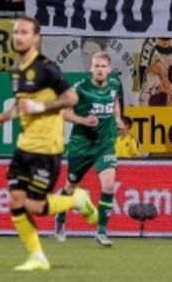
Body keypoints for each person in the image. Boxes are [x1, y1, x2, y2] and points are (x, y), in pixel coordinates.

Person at [0, 17, 98, 271]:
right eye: (16, 32)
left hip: (47, 149)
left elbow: (71, 97)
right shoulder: (16, 71)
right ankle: (37, 256)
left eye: (24, 32)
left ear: (37, 38)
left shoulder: (47, 68)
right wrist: (3, 118)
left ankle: (77, 199)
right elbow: (21, 103)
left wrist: (41, 106)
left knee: (36, 207)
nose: (19, 36)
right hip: (24, 146)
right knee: (16, 200)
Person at [54, 51, 125, 247]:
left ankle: (101, 232)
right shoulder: (80, 88)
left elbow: (115, 101)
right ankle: (60, 219)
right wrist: (83, 120)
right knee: (70, 186)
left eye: (103, 66)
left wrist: (117, 119)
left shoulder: (114, 83)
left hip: (104, 144)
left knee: (109, 185)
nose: (100, 70)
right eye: (96, 66)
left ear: (109, 69)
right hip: (81, 145)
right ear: (90, 68)